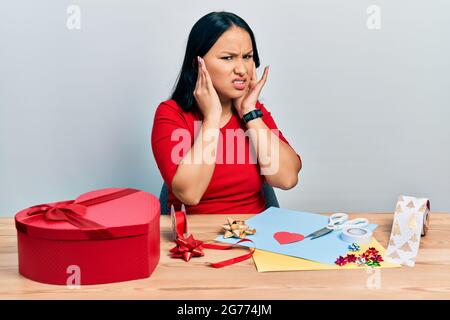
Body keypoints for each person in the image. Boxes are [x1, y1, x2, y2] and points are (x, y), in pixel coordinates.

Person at [151, 11, 302, 214]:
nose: (242, 69)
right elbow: (189, 194)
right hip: (195, 237)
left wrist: (250, 112)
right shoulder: (170, 114)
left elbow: (287, 178)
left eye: (247, 57)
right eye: (228, 58)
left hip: (253, 235)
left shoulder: (254, 112)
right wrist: (212, 118)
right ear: (198, 63)